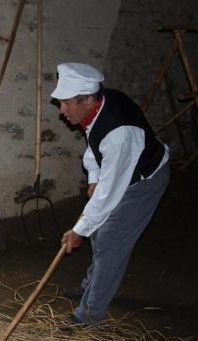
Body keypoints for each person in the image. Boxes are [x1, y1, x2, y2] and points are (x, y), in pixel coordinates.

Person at [52, 63, 169, 326]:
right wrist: (93, 177)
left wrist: (79, 230)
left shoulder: (119, 133)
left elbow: (111, 191)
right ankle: (91, 287)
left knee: (110, 239)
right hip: (121, 173)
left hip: (143, 181)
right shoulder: (98, 107)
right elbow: (95, 144)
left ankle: (91, 313)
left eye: (65, 104)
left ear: (88, 99)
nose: (61, 110)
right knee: (102, 235)